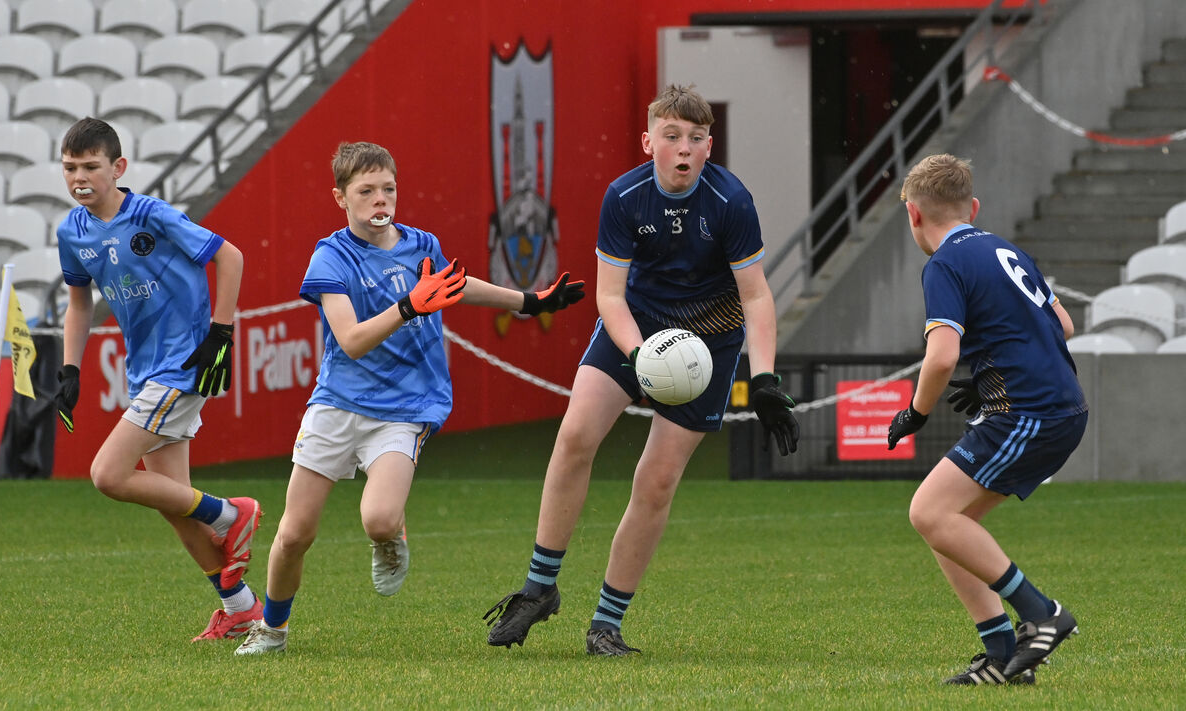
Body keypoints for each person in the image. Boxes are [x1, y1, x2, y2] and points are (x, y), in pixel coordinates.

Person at [482, 84, 800, 656]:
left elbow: (755, 297)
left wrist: (767, 380)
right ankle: (539, 588)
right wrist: (640, 356)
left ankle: (606, 624)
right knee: (575, 434)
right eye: (672, 137)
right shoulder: (624, 196)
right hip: (635, 328)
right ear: (648, 141)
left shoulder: (732, 202)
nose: (684, 149)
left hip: (709, 343)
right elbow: (609, 296)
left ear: (709, 147)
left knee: (656, 480)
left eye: (696, 139)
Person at [234, 141, 585, 655]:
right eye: (367, 191)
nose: (381, 200)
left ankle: (390, 537)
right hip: (337, 403)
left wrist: (529, 301)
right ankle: (273, 630)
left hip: (405, 407)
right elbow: (351, 342)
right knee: (294, 535)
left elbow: (458, 287)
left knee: (377, 519)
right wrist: (409, 305)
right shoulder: (331, 256)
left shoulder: (422, 245)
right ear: (340, 198)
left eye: (389, 189)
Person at [55, 117, 262, 643]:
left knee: (108, 474)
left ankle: (231, 514)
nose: (79, 177)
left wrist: (221, 330)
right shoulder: (72, 232)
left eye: (91, 167)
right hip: (146, 369)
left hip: (182, 364)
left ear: (118, 168)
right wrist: (71, 368)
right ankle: (239, 607)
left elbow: (229, 255)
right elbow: (79, 302)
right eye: (69, 167)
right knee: (172, 501)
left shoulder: (151, 214)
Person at [887, 153, 1088, 685]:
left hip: (1030, 411)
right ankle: (1002, 660)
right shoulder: (1006, 248)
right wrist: (993, 369)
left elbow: (941, 356)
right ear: (972, 208)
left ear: (913, 215)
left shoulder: (945, 264)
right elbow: (1063, 325)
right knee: (950, 524)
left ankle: (1041, 613)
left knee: (929, 512)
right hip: (1057, 406)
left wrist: (914, 412)